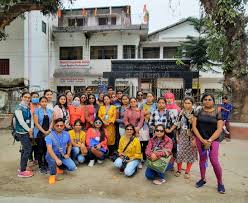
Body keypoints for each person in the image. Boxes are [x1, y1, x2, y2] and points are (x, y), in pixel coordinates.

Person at [192, 93, 225, 194]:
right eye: (205, 99)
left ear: (213, 101)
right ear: (202, 101)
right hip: (200, 139)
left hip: (213, 140)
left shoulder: (217, 113)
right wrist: (202, 140)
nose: (207, 101)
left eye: (210, 99)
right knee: (202, 159)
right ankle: (203, 179)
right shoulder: (198, 111)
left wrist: (209, 141)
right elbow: (194, 127)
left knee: (214, 160)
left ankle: (220, 183)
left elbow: (219, 129)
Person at [149, 97, 178, 171]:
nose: (161, 104)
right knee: (157, 149)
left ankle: (170, 165)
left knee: (167, 150)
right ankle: (158, 163)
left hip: (167, 136)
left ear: (165, 104)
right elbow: (150, 123)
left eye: (163, 103)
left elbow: (176, 122)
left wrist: (170, 130)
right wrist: (156, 130)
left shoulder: (169, 112)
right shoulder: (154, 112)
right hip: (156, 136)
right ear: (157, 104)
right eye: (159, 103)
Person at [45, 118, 76, 184]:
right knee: (50, 158)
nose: (59, 127)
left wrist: (68, 154)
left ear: (64, 126)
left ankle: (59, 168)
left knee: (72, 167)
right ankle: (52, 175)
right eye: (57, 125)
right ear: (54, 126)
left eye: (61, 125)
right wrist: (56, 159)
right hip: (52, 155)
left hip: (62, 155)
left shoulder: (67, 134)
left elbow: (70, 145)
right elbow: (49, 149)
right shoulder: (49, 136)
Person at [174, 97, 198, 179]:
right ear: (183, 103)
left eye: (189, 103)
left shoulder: (195, 113)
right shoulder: (180, 112)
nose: (187, 104)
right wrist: (177, 135)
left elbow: (198, 127)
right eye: (185, 103)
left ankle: (187, 171)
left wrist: (195, 139)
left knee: (190, 154)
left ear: (192, 104)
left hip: (191, 136)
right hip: (181, 135)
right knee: (179, 153)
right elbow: (177, 124)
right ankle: (179, 170)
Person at [15, 92, 34, 178]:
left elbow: (30, 119)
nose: (27, 99)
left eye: (28, 97)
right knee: (27, 149)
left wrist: (31, 129)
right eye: (25, 97)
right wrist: (29, 130)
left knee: (24, 149)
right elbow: (21, 122)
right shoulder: (19, 108)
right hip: (22, 132)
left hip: (26, 131)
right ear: (21, 97)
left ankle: (22, 167)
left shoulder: (27, 107)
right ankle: (22, 171)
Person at [33, 96, 53, 174]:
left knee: (47, 149)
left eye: (45, 101)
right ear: (40, 103)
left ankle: (46, 164)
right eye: (42, 101)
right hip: (39, 133)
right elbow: (36, 123)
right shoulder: (36, 111)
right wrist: (44, 132)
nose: (44, 103)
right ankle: (41, 166)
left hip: (48, 132)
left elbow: (52, 122)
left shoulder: (50, 111)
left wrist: (49, 130)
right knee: (40, 150)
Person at [29, 91, 40, 165]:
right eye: (34, 97)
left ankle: (36, 159)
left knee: (36, 144)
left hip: (38, 128)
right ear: (31, 98)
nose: (35, 98)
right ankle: (30, 159)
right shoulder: (28, 106)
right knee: (30, 145)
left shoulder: (39, 106)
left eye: (37, 97)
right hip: (29, 128)